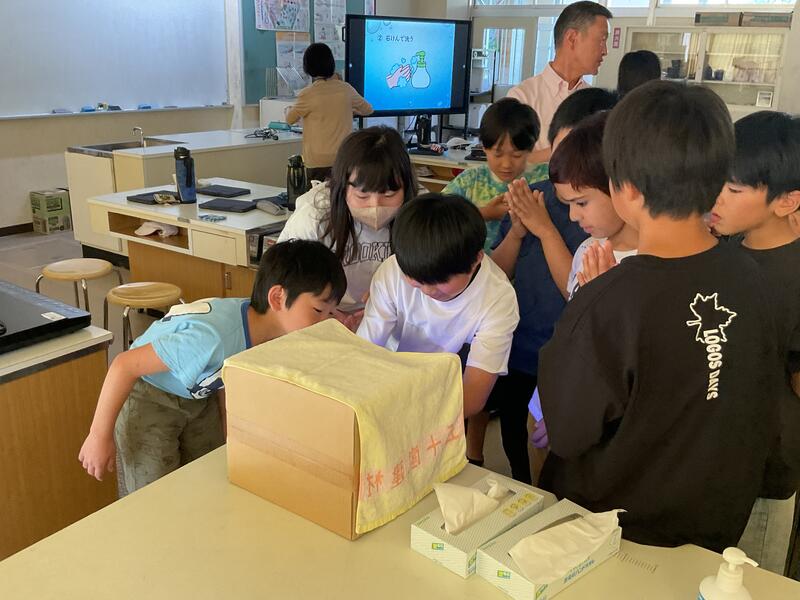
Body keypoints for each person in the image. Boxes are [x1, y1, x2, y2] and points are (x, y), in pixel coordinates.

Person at [538, 81, 783, 552]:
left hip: (617, 539)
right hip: (712, 533)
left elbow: (566, 432)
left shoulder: (609, 301)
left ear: (626, 188)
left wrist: (586, 312)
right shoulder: (752, 277)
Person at [78, 240, 347, 492]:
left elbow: (225, 378)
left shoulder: (268, 333)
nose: (325, 321)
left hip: (198, 395)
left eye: (331, 312)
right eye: (318, 310)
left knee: (208, 472)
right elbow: (123, 365)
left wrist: (232, 437)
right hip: (149, 395)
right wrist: (99, 435)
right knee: (154, 490)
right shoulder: (213, 338)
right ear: (277, 298)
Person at [464, 89, 616, 481]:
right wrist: (518, 231)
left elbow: (579, 296)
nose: (568, 166)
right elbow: (499, 271)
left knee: (554, 450)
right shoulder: (537, 195)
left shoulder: (607, 220)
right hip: (521, 343)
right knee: (516, 433)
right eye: (562, 150)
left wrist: (544, 228)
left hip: (564, 356)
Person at [708, 110, 800, 574]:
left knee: (752, 581)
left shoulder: (793, 275)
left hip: (767, 468)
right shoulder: (723, 251)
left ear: (786, 202)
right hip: (715, 452)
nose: (716, 198)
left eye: (733, 189)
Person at [357, 194, 519, 420]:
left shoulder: (498, 298)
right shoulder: (393, 271)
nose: (427, 291)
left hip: (444, 385)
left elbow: (472, 395)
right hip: (390, 371)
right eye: (416, 280)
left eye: (440, 281)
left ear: (476, 259)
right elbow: (364, 350)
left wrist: (411, 420)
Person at [278, 126, 417, 324]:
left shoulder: (418, 212)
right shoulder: (314, 215)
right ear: (341, 188)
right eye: (362, 196)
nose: (375, 206)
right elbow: (284, 282)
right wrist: (327, 314)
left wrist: (394, 298)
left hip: (388, 314)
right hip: (325, 316)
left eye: (389, 195)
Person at [507, 1, 612, 164]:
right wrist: (565, 145)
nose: (605, 51)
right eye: (601, 40)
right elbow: (510, 161)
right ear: (572, 38)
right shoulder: (522, 97)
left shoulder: (594, 102)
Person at [443, 98, 548, 253]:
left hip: (530, 265)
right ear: (484, 148)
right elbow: (438, 220)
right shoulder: (471, 180)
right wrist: (485, 213)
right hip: (479, 265)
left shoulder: (546, 178)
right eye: (498, 155)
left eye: (516, 155)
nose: (506, 164)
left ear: (530, 149)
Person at [286, 43, 373, 182]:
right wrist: (351, 110)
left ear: (307, 67)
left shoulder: (308, 94)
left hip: (317, 161)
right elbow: (368, 109)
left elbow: (290, 119)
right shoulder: (346, 89)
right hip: (343, 158)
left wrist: (289, 109)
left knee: (317, 195)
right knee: (341, 194)